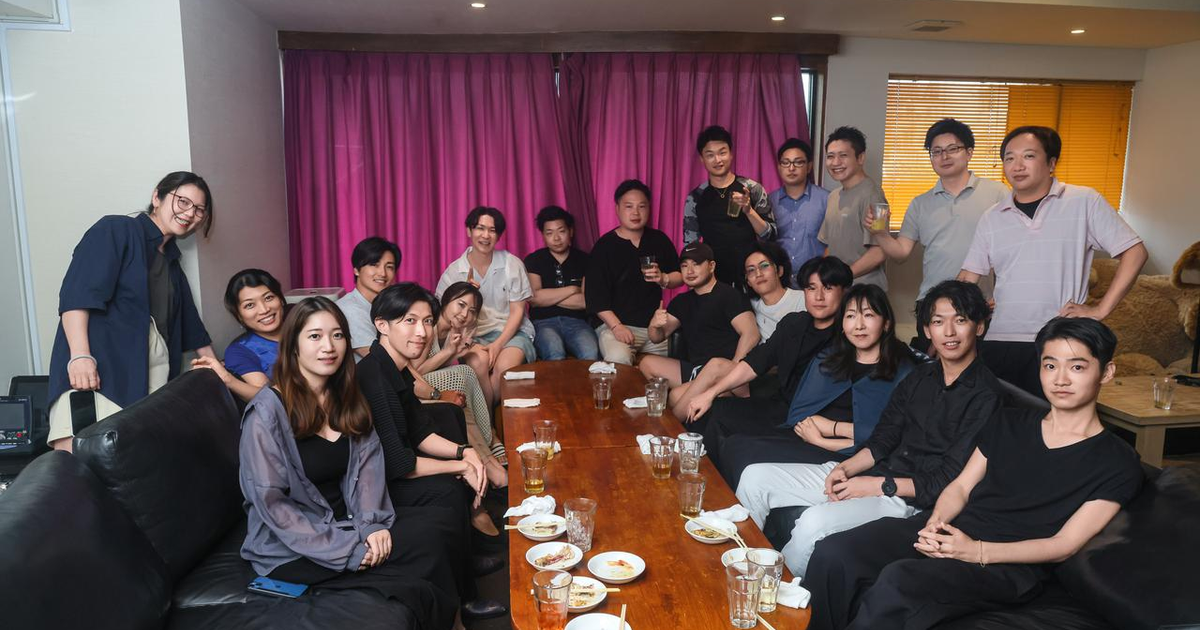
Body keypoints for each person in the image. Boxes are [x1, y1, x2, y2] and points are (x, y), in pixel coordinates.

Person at [805, 317, 1144, 630]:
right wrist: (934, 524)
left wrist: (975, 551)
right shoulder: (1009, 421)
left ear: (1106, 372)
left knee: (899, 581)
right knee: (836, 552)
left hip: (1007, 565)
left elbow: (1063, 545)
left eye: (1077, 366)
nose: (1061, 379)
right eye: (1050, 365)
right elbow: (961, 487)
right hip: (954, 530)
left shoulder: (1116, 461)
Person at [736, 280, 1002, 577]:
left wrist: (876, 486)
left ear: (979, 326)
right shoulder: (920, 377)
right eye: (939, 322)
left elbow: (947, 479)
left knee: (812, 522)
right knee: (755, 477)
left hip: (906, 499)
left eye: (960, 320)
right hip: (875, 472)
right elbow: (883, 438)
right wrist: (846, 468)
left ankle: (770, 591)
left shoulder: (986, 396)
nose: (949, 332)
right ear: (928, 330)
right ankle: (738, 567)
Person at [238, 297, 460, 630]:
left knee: (433, 530)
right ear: (293, 346)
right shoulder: (266, 414)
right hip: (296, 546)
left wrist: (371, 525)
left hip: (348, 521)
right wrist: (349, 549)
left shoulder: (345, 397)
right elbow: (274, 506)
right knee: (418, 560)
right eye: (315, 336)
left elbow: (369, 467)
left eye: (337, 335)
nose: (329, 346)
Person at [957, 126, 1147, 397]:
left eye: (1028, 156)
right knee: (998, 419)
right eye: (1009, 158)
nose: (1017, 166)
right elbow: (967, 277)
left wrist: (1100, 310)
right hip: (1001, 339)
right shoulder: (992, 216)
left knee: (1057, 420)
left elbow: (1135, 252)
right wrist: (956, 321)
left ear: (1051, 163)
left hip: (1061, 339)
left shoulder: (1084, 201)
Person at [355, 284, 508, 621]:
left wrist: (464, 453)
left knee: (453, 471)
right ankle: (463, 601)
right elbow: (399, 463)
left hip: (393, 467)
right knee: (447, 489)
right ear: (382, 325)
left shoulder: (393, 367)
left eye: (427, 321)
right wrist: (458, 467)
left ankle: (464, 564)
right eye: (409, 321)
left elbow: (420, 432)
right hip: (374, 485)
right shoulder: (374, 376)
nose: (422, 332)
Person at [47, 171, 216, 452]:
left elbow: (193, 329)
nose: (190, 213)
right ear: (157, 197)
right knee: (79, 462)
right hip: (101, 372)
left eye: (199, 209)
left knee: (130, 468)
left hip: (148, 383)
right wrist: (80, 356)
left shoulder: (172, 262)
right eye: (183, 201)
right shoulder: (116, 229)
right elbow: (78, 295)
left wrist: (220, 374)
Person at [715, 284, 916, 489]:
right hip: (807, 438)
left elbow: (893, 438)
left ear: (886, 324)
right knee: (735, 444)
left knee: (744, 454)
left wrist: (828, 431)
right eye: (850, 316)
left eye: (868, 315)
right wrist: (817, 432)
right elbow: (799, 414)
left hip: (852, 457)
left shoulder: (904, 372)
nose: (859, 325)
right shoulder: (829, 359)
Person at [683, 256, 852, 457]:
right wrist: (710, 394)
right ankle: (691, 466)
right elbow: (755, 362)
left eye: (828, 288)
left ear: (843, 292)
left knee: (734, 441)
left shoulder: (851, 334)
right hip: (780, 406)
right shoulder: (794, 324)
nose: (819, 297)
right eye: (811, 288)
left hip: (813, 421)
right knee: (711, 409)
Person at [864, 119, 1008, 352]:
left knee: (978, 367)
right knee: (932, 368)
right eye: (936, 151)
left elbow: (1011, 249)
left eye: (953, 149)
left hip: (979, 302)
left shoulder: (997, 193)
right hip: (931, 303)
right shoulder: (920, 203)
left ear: (969, 152)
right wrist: (880, 234)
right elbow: (901, 253)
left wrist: (1003, 294)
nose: (944, 156)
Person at [639, 242, 760, 418]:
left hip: (723, 370)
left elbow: (751, 333)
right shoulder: (681, 301)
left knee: (676, 396)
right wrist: (654, 325)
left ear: (711, 266)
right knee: (646, 363)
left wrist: (734, 373)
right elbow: (657, 337)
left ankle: (669, 427)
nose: (689, 271)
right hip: (696, 370)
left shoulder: (729, 295)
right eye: (684, 266)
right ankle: (667, 413)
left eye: (696, 264)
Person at [436, 206, 536, 399]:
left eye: (492, 230)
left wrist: (498, 345)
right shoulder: (454, 271)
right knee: (478, 364)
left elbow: (517, 311)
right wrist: (465, 293)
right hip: (472, 335)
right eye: (480, 228)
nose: (485, 235)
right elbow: (444, 314)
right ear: (469, 231)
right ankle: (488, 417)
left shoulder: (511, 264)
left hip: (511, 332)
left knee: (505, 369)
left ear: (498, 236)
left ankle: (488, 416)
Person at [410, 281, 509, 475]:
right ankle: (488, 441)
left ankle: (488, 439)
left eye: (472, 311)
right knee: (461, 374)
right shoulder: (430, 324)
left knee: (467, 372)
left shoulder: (452, 330)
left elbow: (441, 362)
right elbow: (415, 370)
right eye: (461, 305)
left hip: (431, 380)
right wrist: (449, 352)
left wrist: (456, 353)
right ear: (446, 300)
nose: (465, 314)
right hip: (416, 384)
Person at [586, 179, 683, 365]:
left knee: (683, 353)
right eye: (629, 206)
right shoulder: (604, 247)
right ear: (617, 209)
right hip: (615, 325)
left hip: (653, 327)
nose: (636, 213)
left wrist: (663, 278)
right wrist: (617, 327)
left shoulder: (659, 240)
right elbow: (595, 299)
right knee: (619, 358)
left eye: (642, 206)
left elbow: (679, 276)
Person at [683, 125, 777, 289]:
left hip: (751, 277)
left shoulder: (752, 189)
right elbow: (691, 247)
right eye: (710, 155)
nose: (717, 160)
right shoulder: (695, 197)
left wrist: (749, 211)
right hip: (713, 280)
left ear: (731, 154)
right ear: (702, 159)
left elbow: (770, 235)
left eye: (722, 152)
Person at [192, 269, 286, 403]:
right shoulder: (239, 351)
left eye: (268, 298)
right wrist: (227, 379)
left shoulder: (305, 326)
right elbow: (267, 398)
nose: (264, 310)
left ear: (280, 299)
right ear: (239, 315)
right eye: (250, 305)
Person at [523, 205, 599, 360]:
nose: (556, 238)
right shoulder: (534, 259)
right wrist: (572, 289)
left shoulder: (586, 260)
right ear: (543, 235)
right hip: (543, 323)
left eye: (561, 231)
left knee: (590, 353)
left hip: (578, 322)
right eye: (549, 233)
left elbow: (585, 301)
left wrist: (547, 297)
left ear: (570, 231)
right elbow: (535, 299)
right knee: (554, 352)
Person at [818, 126, 889, 290]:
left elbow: (880, 251)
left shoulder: (874, 196)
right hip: (838, 289)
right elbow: (830, 246)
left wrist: (844, 276)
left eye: (843, 155)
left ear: (860, 158)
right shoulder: (833, 196)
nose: (836, 162)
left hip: (865, 291)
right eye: (830, 156)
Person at [770, 138, 830, 273]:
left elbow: (834, 243)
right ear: (779, 167)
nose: (791, 168)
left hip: (815, 279)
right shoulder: (769, 202)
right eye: (785, 163)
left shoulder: (826, 199)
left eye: (798, 162)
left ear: (809, 166)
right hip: (780, 280)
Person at [336, 237, 401, 359]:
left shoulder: (386, 307)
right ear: (356, 270)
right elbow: (382, 360)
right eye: (374, 265)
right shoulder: (350, 309)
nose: (382, 273)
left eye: (389, 267)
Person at [744, 241, 805, 342]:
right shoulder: (749, 308)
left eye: (764, 266)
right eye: (751, 270)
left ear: (780, 270)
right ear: (748, 281)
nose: (758, 274)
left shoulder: (802, 300)